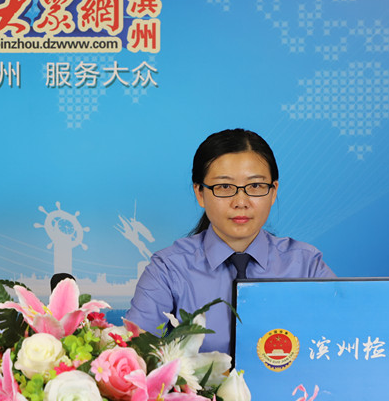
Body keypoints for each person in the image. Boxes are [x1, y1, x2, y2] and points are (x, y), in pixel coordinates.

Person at [125, 128, 334, 353]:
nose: (241, 202)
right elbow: (136, 356)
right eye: (224, 187)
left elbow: (340, 342)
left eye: (255, 186)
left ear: (273, 191)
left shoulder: (306, 265)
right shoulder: (168, 270)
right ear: (199, 193)